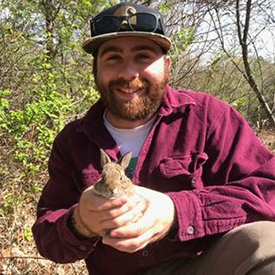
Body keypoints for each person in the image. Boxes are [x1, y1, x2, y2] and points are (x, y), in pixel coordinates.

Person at [32, 2, 275, 275]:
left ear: (167, 66)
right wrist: (79, 222)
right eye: (113, 58)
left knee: (268, 245)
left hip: (204, 265)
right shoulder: (73, 141)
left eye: (143, 56)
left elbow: (269, 190)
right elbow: (47, 236)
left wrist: (177, 212)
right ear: (95, 69)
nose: (128, 74)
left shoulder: (210, 117)